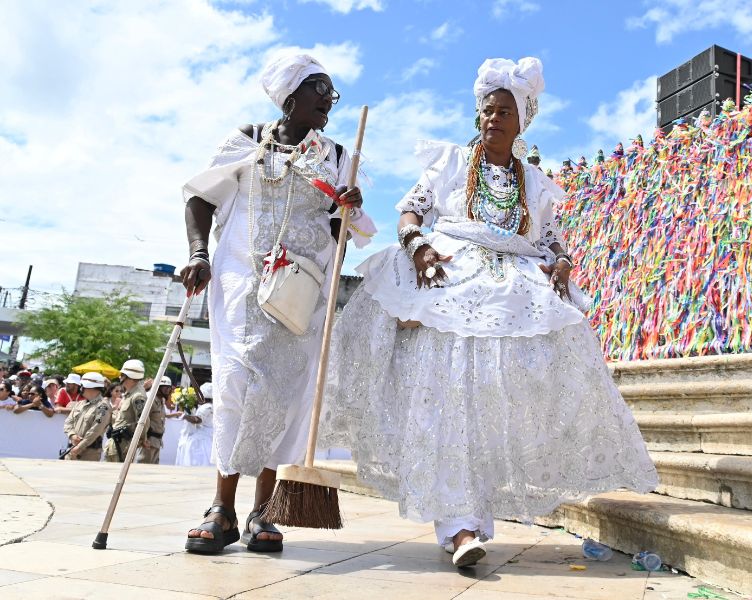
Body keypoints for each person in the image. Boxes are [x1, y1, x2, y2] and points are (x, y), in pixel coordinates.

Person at [320, 57, 659, 568]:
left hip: (512, 292)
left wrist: (562, 262)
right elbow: (411, 211)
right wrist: (417, 246)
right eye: (486, 110)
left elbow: (550, 239)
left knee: (483, 407)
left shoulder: (535, 182)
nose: (492, 118)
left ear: (522, 122)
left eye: (504, 112)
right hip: (449, 282)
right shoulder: (453, 163)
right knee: (449, 402)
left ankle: (470, 523)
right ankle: (459, 528)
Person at [178, 50, 376, 555]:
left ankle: (262, 512)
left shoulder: (336, 156)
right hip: (242, 284)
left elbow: (343, 230)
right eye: (319, 89)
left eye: (333, 93)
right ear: (290, 95)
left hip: (301, 293)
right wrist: (199, 253)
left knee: (282, 395)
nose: (329, 100)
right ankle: (221, 508)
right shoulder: (248, 139)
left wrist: (347, 210)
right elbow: (200, 197)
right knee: (235, 385)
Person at [104, 359, 148, 463]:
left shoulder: (137, 396)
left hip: (124, 446)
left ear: (130, 377)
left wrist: (139, 441)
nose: (120, 377)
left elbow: (143, 422)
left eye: (122, 375)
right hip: (116, 444)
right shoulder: (129, 394)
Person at [62, 372, 112, 461]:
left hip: (89, 453)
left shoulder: (103, 407)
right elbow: (68, 422)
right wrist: (72, 435)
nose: (80, 388)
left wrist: (80, 447)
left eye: (83, 386)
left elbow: (95, 430)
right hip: (72, 450)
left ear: (92, 387)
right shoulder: (80, 404)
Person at [176, 382, 215, 467]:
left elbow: (197, 419)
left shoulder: (206, 407)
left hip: (203, 440)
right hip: (209, 436)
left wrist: (185, 416)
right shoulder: (210, 406)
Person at [136, 375, 168, 464]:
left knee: (153, 469)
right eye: (165, 388)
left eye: (169, 388)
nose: (168, 391)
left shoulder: (161, 401)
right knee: (143, 467)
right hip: (148, 441)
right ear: (158, 388)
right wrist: (143, 439)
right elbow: (143, 421)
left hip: (157, 441)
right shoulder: (150, 400)